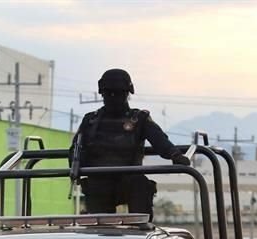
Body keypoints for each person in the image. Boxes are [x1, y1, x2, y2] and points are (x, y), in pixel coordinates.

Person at [72, 69, 190, 219]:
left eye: (118, 93)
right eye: (109, 93)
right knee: (99, 230)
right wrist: (76, 165)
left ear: (127, 93)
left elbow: (160, 140)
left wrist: (175, 155)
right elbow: (76, 149)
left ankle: (140, 229)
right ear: (103, 94)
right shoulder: (90, 120)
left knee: (139, 191)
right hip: (99, 183)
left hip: (130, 182)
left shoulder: (139, 119)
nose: (113, 97)